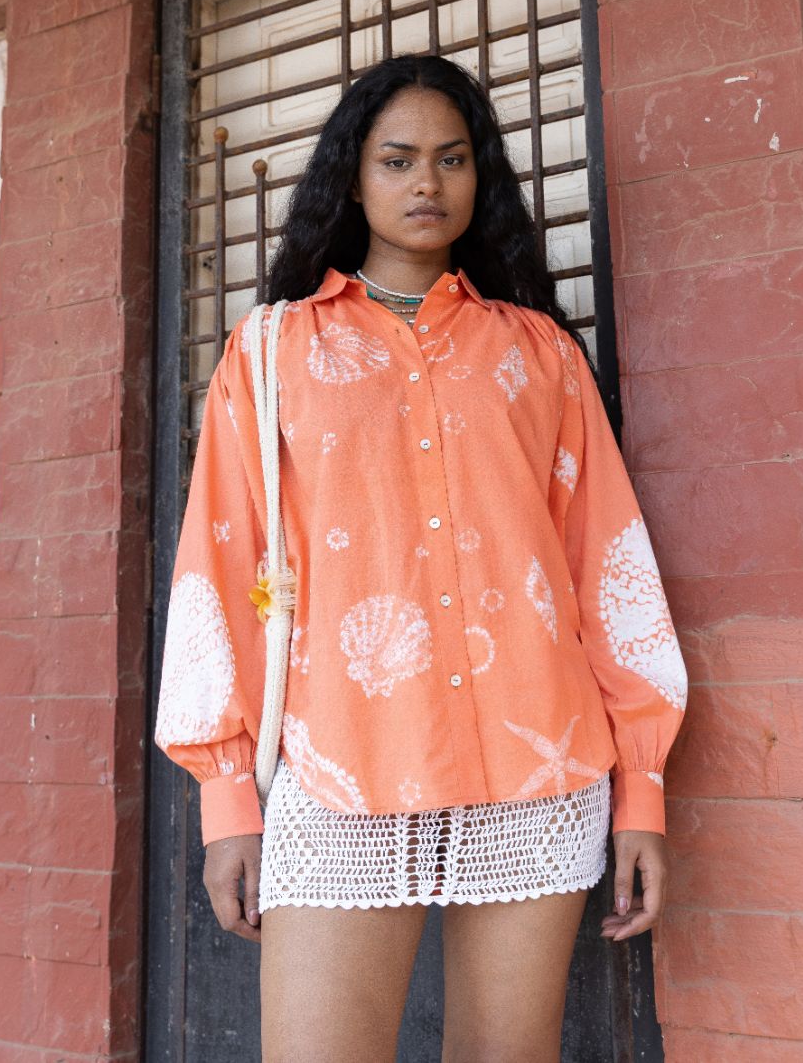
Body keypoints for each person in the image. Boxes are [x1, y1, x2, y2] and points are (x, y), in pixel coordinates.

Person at [154, 53, 687, 1063]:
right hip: (341, 767)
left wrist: (642, 790)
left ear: (480, 177)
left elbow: (606, 565)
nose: (426, 183)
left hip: (539, 767)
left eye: (451, 159)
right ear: (352, 180)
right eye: (396, 160)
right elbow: (217, 569)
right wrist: (225, 798)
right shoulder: (271, 351)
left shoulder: (539, 354)